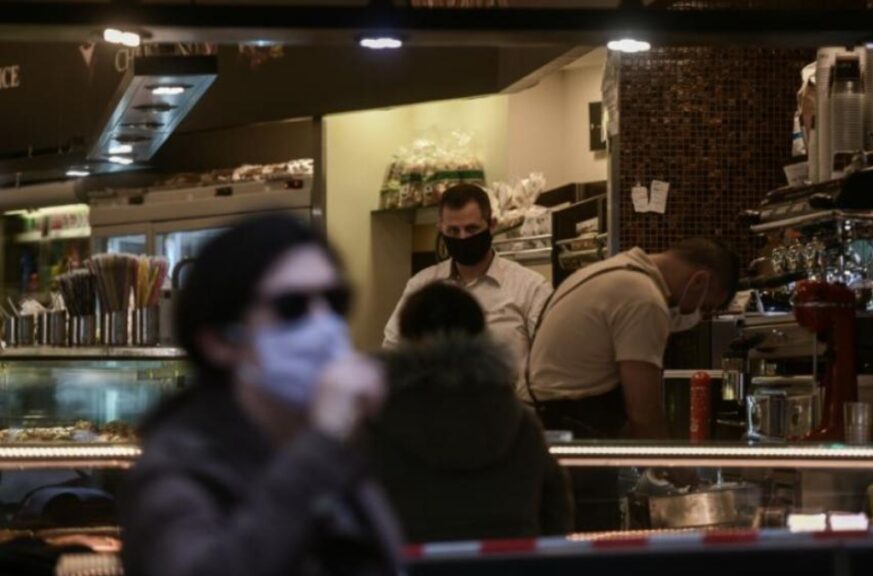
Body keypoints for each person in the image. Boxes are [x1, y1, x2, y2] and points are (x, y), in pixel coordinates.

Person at [120, 215, 402, 576]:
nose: (323, 326)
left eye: (335, 301)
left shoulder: (334, 445)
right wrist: (321, 447)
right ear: (220, 341)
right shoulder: (178, 470)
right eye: (291, 307)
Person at [371, 282, 572, 543]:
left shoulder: (378, 420)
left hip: (412, 560)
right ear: (480, 335)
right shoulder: (520, 420)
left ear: (406, 337)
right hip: (508, 560)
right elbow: (555, 513)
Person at [525, 239, 740, 440]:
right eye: (705, 307)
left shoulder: (614, 271)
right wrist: (670, 462)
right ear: (699, 281)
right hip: (573, 429)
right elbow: (644, 414)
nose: (697, 316)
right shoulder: (644, 300)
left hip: (545, 422)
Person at [382, 184, 552, 393]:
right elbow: (394, 352)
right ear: (440, 228)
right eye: (453, 231)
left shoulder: (530, 288)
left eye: (471, 229)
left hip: (506, 407)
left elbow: (551, 361)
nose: (463, 238)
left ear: (492, 225)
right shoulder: (422, 285)